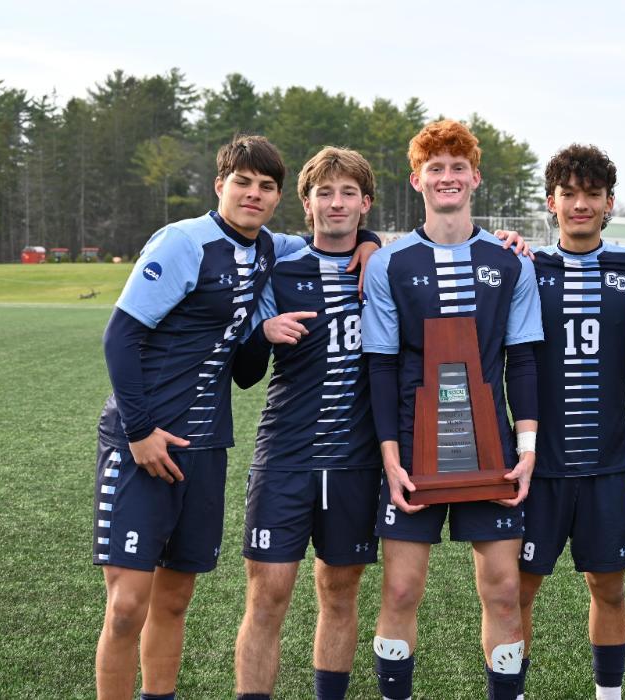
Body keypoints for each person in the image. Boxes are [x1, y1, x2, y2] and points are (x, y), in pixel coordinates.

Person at [94, 135, 311, 700]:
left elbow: (244, 374)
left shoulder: (270, 248)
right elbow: (119, 337)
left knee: (175, 598)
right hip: (141, 439)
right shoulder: (184, 240)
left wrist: (364, 241)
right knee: (125, 607)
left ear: (277, 197)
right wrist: (139, 432)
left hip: (205, 444)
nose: (254, 194)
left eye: (266, 187)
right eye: (242, 182)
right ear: (220, 185)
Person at [361, 119, 543, 700]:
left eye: (457, 167)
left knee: (501, 590)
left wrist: (527, 450)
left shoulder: (511, 260)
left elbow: (524, 362)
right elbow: (382, 365)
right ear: (417, 180)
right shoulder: (390, 263)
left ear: (475, 179)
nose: (447, 177)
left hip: (490, 451)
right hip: (415, 452)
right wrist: (389, 457)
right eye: (435, 168)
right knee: (401, 590)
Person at [231, 147, 383, 700]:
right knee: (268, 595)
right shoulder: (281, 268)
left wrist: (376, 246)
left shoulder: (385, 269)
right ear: (307, 201)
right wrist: (260, 333)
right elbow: (245, 373)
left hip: (356, 460)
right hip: (286, 455)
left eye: (348, 193)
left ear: (365, 203)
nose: (336, 203)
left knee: (339, 593)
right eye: (325, 192)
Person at [518, 144, 625, 699]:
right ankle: (511, 690)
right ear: (551, 202)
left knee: (609, 588)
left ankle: (608, 695)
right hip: (536, 466)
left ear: (609, 202)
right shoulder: (524, 266)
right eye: (568, 193)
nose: (580, 204)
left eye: (592, 194)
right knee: (517, 592)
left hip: (605, 465)